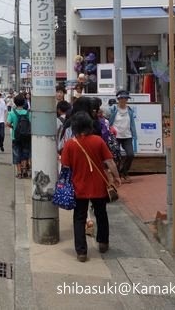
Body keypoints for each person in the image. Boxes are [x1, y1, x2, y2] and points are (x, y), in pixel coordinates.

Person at [60, 111, 121, 263]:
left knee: (79, 218)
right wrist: (116, 177)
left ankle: (81, 252)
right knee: (101, 214)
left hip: (78, 186)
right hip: (98, 186)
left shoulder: (70, 144)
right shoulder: (98, 141)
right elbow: (109, 162)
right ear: (89, 125)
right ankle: (103, 242)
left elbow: (65, 166)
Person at [108, 89, 136, 183]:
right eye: (122, 98)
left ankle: (124, 172)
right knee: (116, 156)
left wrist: (134, 134)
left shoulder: (130, 111)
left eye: (126, 98)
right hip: (115, 137)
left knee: (130, 154)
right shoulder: (113, 109)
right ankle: (117, 175)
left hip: (127, 136)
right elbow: (108, 120)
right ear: (118, 99)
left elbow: (132, 123)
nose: (124, 100)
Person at [8, 94, 32, 178]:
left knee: (16, 153)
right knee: (25, 153)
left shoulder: (12, 113)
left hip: (16, 136)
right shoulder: (28, 113)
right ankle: (25, 170)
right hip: (26, 136)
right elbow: (31, 123)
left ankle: (19, 172)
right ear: (24, 102)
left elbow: (7, 123)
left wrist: (13, 127)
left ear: (15, 102)